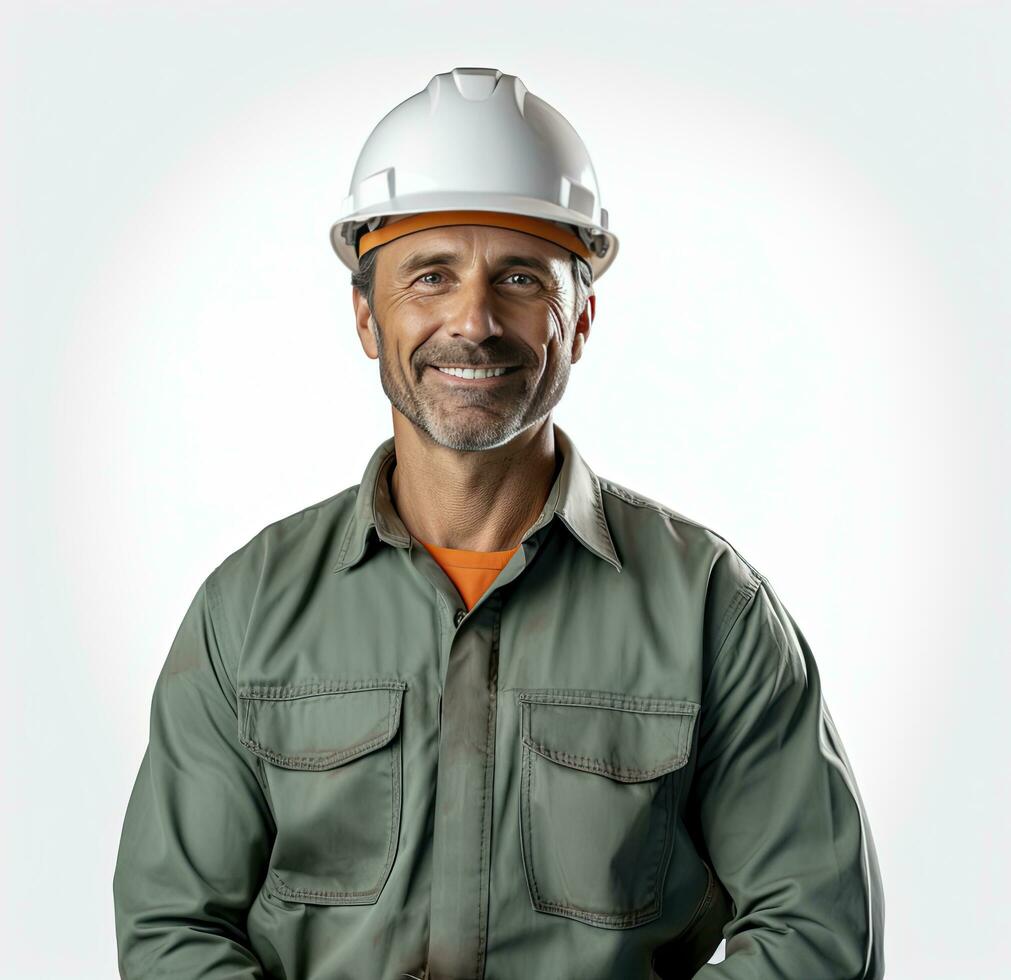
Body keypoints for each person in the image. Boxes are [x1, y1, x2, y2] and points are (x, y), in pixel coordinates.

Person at [113, 67, 885, 980]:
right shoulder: (246, 609)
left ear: (582, 317)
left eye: (519, 278)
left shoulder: (709, 606)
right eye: (429, 275)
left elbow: (818, 929)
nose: (473, 322)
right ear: (366, 315)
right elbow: (174, 931)